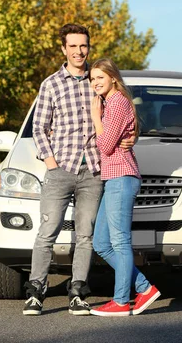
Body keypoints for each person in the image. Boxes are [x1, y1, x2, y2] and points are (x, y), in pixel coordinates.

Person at [24, 24, 135, 316]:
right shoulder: (51, 84)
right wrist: (50, 162)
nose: (78, 51)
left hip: (95, 171)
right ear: (64, 49)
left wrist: (133, 135)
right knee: (47, 232)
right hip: (61, 169)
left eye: (83, 46)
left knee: (85, 235)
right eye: (72, 46)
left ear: (88, 47)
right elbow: (39, 126)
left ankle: (77, 293)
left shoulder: (98, 80)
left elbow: (122, 111)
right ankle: (36, 292)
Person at [88, 58, 160, 317]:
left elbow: (106, 145)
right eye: (92, 78)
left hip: (121, 176)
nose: (95, 82)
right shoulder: (112, 102)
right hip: (114, 178)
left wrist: (97, 118)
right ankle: (144, 287)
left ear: (113, 78)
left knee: (119, 242)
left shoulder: (116, 102)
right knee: (101, 243)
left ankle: (120, 302)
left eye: (100, 77)